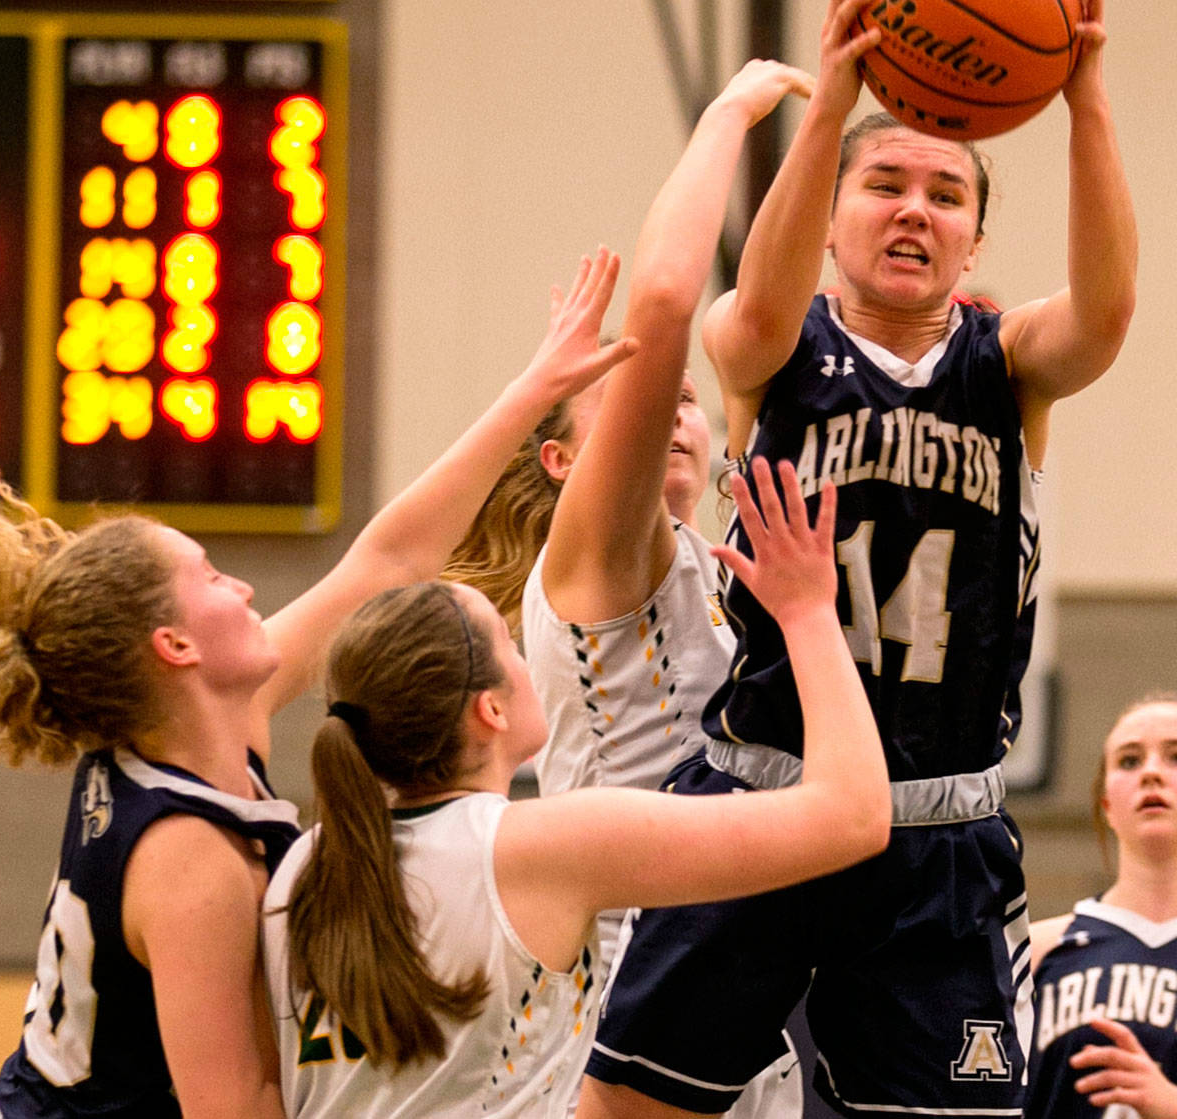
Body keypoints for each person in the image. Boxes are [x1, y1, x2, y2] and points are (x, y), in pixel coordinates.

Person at [578, 0, 1137, 1119]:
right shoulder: (767, 346)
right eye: (883, 186)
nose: (914, 210)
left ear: (973, 243)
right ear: (827, 218)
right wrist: (831, 90)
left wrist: (1083, 97)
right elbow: (755, 300)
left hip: (939, 829)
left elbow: (1104, 312)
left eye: (946, 196)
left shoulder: (1008, 366)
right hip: (761, 802)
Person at [0, 257, 636, 1119]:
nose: (243, 588)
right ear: (174, 645)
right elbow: (235, 1107)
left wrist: (533, 386)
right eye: (210, 575)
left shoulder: (194, 721)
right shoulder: (190, 861)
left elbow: (387, 562)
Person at [263, 457, 891, 1118]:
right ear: (491, 710)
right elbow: (853, 816)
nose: (524, 653)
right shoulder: (542, 847)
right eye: (508, 644)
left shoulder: (300, 869)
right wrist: (809, 612)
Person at [521, 60, 813, 1115]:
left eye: (689, 402)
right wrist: (733, 113)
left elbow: (769, 338)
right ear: (562, 463)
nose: (673, 409)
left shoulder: (723, 553)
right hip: (627, 973)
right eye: (649, 397)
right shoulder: (599, 557)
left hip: (735, 970)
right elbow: (665, 302)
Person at [1027, 695, 1177, 1119]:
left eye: (1174, 756)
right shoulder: (1036, 950)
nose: (1150, 772)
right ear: (1106, 805)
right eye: (1129, 761)